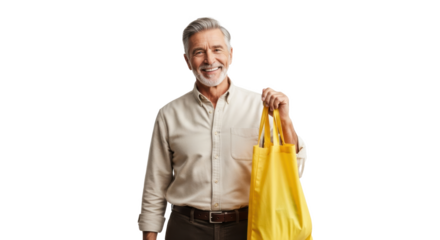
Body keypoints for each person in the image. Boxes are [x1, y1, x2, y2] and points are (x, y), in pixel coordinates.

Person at [137, 16, 310, 240]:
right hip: (186, 229)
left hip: (250, 228)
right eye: (199, 52)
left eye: (217, 49)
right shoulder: (169, 114)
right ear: (186, 61)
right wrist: (148, 236)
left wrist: (286, 119)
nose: (209, 59)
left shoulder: (262, 107)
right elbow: (154, 184)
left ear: (232, 54)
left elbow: (295, 173)